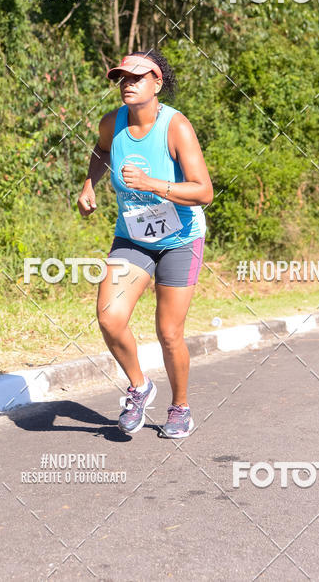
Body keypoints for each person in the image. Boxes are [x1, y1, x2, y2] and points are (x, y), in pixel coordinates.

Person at [78, 50, 213, 438]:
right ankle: (140, 386)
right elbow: (101, 152)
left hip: (180, 239)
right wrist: (90, 184)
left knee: (168, 333)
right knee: (109, 317)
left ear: (157, 82)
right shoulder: (112, 124)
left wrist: (152, 184)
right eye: (122, 78)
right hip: (133, 236)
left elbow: (204, 191)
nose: (127, 85)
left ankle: (180, 407)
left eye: (136, 78)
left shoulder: (176, 127)